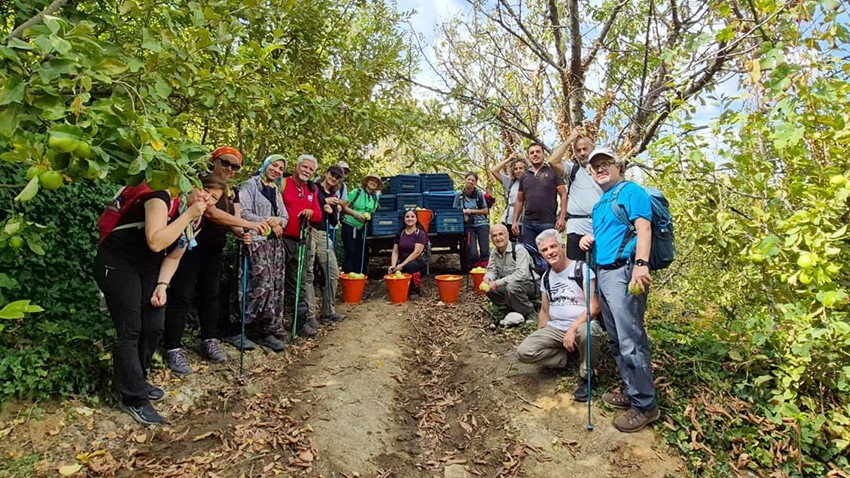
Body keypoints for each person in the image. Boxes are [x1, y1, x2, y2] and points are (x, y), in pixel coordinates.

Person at [95, 181, 213, 425]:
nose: (206, 198)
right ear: (186, 187)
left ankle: (138, 379)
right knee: (130, 329)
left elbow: (174, 254)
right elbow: (156, 241)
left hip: (148, 267)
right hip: (117, 262)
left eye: (211, 196)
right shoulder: (159, 198)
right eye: (201, 191)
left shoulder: (194, 220)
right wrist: (190, 214)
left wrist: (162, 286)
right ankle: (133, 399)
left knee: (153, 325)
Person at [162, 147, 271, 375]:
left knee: (211, 295)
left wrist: (241, 231)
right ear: (214, 161)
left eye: (234, 166)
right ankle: (172, 347)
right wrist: (251, 225)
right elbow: (211, 213)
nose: (229, 169)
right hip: (188, 246)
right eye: (225, 163)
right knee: (182, 295)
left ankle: (209, 339)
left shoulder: (232, 192)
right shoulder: (199, 183)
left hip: (214, 248)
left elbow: (233, 218)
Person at [579, 146, 659, 433]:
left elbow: (644, 229)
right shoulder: (602, 203)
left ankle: (645, 406)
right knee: (616, 340)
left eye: (605, 164)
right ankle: (631, 391)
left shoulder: (631, 191)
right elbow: (611, 235)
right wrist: (590, 239)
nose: (600, 169)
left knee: (631, 339)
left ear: (618, 166)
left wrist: (641, 264)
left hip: (625, 273)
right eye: (595, 166)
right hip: (604, 274)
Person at [516, 229, 603, 402]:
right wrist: (540, 333)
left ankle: (587, 375)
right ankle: (567, 358)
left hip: (580, 325)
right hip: (556, 328)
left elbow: (593, 307)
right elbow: (545, 311)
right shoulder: (547, 277)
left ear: (562, 246)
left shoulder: (581, 269)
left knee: (589, 330)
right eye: (545, 250)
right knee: (524, 352)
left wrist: (572, 329)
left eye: (553, 246)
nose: (550, 252)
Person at [236, 155, 290, 352]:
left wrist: (278, 221)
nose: (276, 170)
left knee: (275, 287)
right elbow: (243, 212)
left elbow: (285, 216)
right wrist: (269, 222)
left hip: (274, 246)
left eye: (281, 168)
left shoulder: (276, 190)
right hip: (255, 242)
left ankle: (268, 329)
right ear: (266, 164)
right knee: (259, 284)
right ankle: (247, 327)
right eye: (274, 165)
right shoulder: (250, 185)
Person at [281, 154, 323, 338]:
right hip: (281, 239)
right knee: (275, 282)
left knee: (297, 282)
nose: (307, 171)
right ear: (297, 166)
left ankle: (299, 323)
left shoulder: (311, 189)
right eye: (304, 167)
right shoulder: (282, 183)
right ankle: (272, 325)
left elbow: (319, 215)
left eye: (311, 169)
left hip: (301, 240)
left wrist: (310, 212)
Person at [511, 143, 567, 271]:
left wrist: (562, 218)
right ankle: (535, 286)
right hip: (528, 224)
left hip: (547, 222)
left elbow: (563, 194)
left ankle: (552, 285)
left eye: (537, 152)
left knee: (550, 256)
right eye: (532, 153)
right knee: (531, 257)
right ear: (529, 156)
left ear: (543, 154)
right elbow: (520, 200)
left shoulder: (553, 172)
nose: (535, 154)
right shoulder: (525, 176)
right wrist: (515, 221)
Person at [548, 130, 602, 260]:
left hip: (600, 227)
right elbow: (553, 161)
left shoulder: (604, 172)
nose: (582, 153)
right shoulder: (572, 169)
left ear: (593, 149)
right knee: (576, 270)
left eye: (585, 149)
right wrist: (570, 139)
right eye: (578, 150)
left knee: (601, 269)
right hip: (575, 228)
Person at [305, 165, 346, 323]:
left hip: (323, 233)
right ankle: (309, 316)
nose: (333, 178)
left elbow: (335, 221)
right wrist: (324, 201)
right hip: (309, 230)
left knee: (333, 273)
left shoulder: (334, 195)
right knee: (308, 274)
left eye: (337, 177)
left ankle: (328, 311)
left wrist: (331, 210)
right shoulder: (314, 187)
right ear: (326, 173)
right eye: (332, 174)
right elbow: (308, 202)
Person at [482, 224, 537, 326]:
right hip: (509, 284)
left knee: (511, 287)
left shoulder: (518, 250)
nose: (498, 238)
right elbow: (491, 270)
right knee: (490, 289)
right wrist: (488, 279)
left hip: (529, 284)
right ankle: (511, 309)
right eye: (494, 236)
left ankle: (529, 312)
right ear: (491, 239)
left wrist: (497, 283)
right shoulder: (494, 252)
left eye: (501, 234)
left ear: (507, 235)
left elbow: (522, 274)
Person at [341, 174, 382, 274]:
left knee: (360, 253)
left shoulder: (375, 197)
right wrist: (355, 214)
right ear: (367, 182)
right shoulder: (357, 192)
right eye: (371, 180)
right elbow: (344, 207)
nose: (373, 183)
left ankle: (359, 278)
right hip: (349, 225)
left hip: (362, 228)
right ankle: (348, 276)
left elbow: (373, 211)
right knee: (350, 251)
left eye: (376, 182)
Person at [388, 209, 428, 299]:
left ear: (416, 219)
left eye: (412, 216)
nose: (410, 219)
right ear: (404, 219)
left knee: (411, 265)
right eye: (407, 217)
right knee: (395, 271)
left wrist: (402, 264)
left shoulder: (420, 234)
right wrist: (393, 265)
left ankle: (415, 289)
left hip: (417, 262)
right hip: (402, 261)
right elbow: (395, 251)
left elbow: (417, 252)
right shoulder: (400, 233)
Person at [489, 155, 527, 242]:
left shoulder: (530, 182)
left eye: (521, 168)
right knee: (508, 244)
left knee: (522, 246)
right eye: (516, 169)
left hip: (524, 220)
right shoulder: (510, 182)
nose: (518, 171)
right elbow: (494, 171)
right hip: (508, 219)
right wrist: (509, 159)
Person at [457, 171, 490, 270]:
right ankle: (476, 270)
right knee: (473, 253)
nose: (470, 182)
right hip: (469, 226)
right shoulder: (459, 196)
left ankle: (485, 271)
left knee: (484, 251)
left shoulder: (479, 195)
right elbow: (455, 211)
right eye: (469, 179)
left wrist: (471, 211)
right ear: (465, 180)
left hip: (482, 224)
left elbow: (485, 210)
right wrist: (463, 214)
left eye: (473, 180)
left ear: (475, 183)